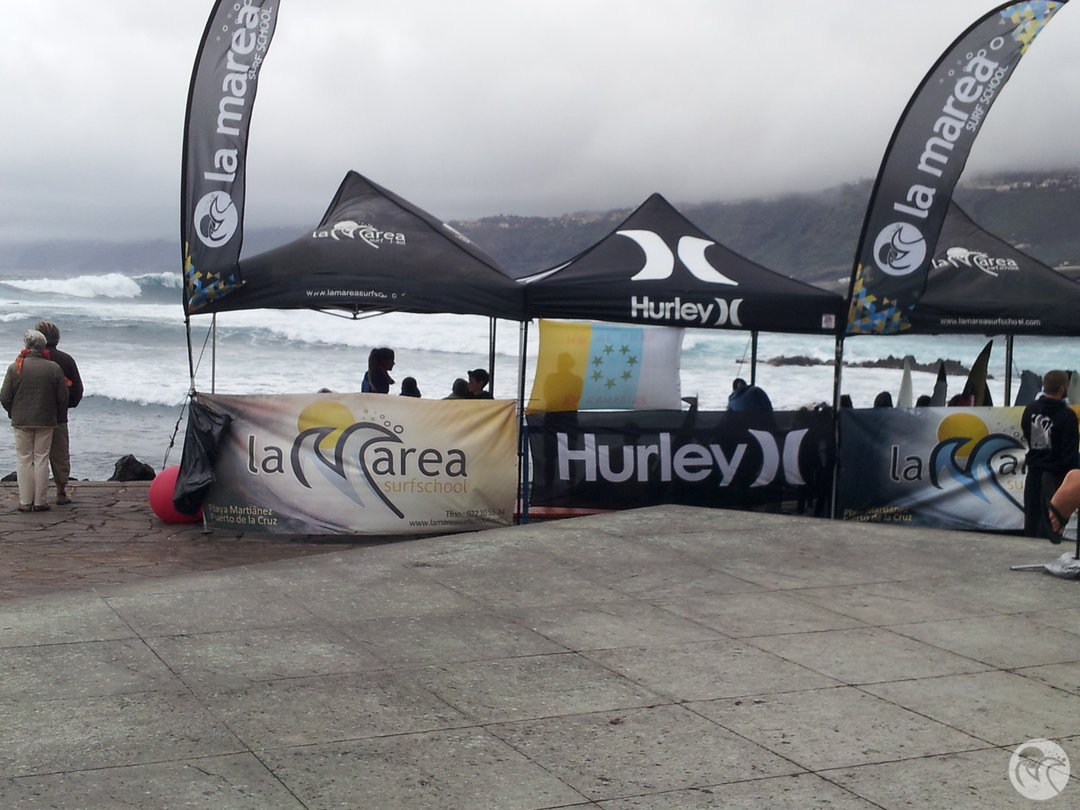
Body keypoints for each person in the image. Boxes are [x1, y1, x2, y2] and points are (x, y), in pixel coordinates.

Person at [0, 330, 69, 512]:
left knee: (24, 459)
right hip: (46, 420)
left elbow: (5, 396)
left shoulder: (15, 367)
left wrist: (13, 412)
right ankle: (40, 501)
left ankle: (25, 501)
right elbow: (63, 397)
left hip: (21, 420)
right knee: (41, 459)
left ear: (26, 345)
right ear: (43, 346)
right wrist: (56, 414)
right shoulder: (53, 368)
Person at [1021, 369, 1079, 538]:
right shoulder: (1067, 415)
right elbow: (1070, 451)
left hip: (1035, 473)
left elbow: (1031, 438)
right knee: (1052, 526)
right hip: (1056, 477)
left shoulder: (1031, 410)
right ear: (1062, 388)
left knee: (1032, 521)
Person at [35, 320, 83, 504]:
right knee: (60, 455)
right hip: (58, 416)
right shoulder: (66, 360)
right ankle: (61, 491)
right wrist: (67, 404)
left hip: (33, 416)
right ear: (57, 338)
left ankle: (35, 493)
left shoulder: (25, 361)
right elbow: (77, 390)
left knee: (35, 456)